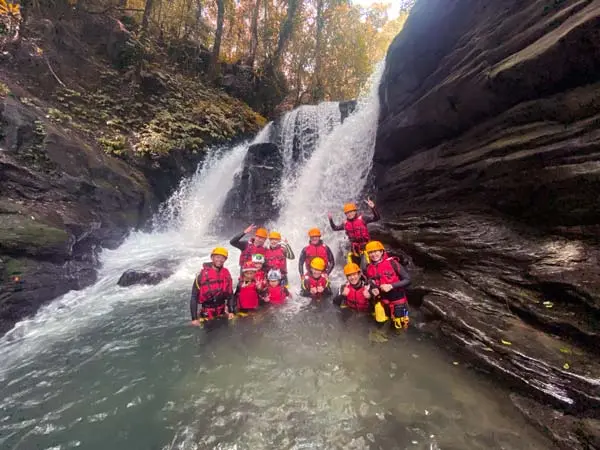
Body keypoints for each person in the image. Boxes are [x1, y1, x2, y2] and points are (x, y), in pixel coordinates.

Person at [364, 241, 411, 329]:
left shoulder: (393, 263)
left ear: (382, 251)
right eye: (370, 252)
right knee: (381, 326)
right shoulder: (368, 268)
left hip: (398, 301)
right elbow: (370, 284)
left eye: (376, 251)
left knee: (400, 328)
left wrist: (391, 286)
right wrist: (371, 291)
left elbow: (408, 280)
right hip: (382, 302)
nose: (373, 254)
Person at [328, 198, 380, 265]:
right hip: (354, 248)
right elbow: (335, 228)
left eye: (351, 212)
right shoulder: (345, 223)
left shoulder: (362, 218)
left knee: (366, 266)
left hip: (365, 246)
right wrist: (330, 220)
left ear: (355, 211)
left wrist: (373, 207)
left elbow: (377, 218)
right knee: (355, 266)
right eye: (347, 213)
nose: (350, 214)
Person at [190, 247, 234, 325]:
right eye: (217, 257)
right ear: (212, 258)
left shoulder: (226, 273)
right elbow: (194, 297)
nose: (220, 260)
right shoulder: (201, 275)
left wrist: (231, 311)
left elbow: (230, 294)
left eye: (223, 258)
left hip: (222, 311)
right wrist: (194, 318)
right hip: (207, 312)